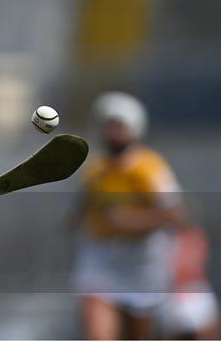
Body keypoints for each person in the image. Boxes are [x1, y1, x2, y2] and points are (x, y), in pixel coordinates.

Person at [70, 92, 185, 339]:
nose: (113, 131)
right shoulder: (94, 170)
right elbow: (81, 211)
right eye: (108, 124)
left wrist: (132, 222)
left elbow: (174, 215)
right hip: (101, 262)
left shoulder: (150, 167)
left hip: (142, 265)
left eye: (119, 125)